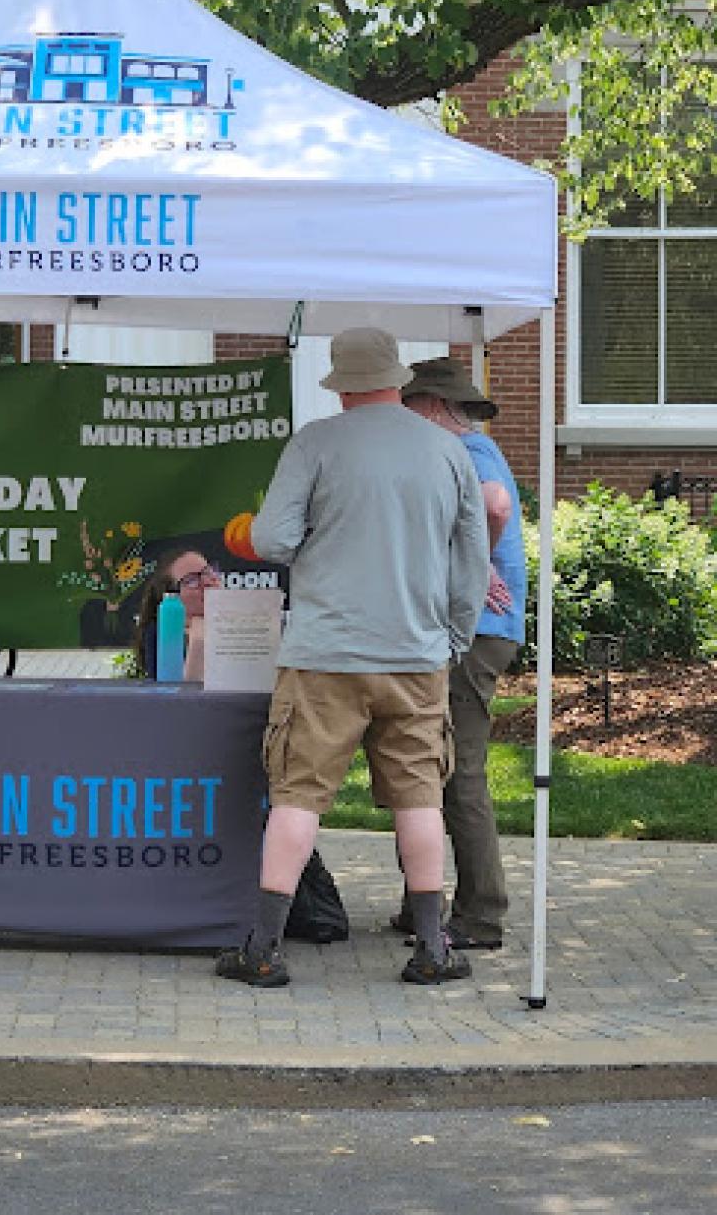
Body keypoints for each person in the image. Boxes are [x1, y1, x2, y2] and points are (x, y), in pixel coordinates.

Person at [215, 327, 489, 989]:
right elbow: (471, 563)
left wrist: (271, 533)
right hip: (416, 655)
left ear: (340, 385)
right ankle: (432, 948)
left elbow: (275, 536)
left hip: (323, 656)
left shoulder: (314, 442)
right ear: (398, 379)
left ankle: (264, 948)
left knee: (297, 796)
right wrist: (452, 636)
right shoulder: (450, 451)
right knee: (419, 796)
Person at [389, 357, 526, 951]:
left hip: (474, 633)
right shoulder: (472, 450)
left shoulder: (468, 454)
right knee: (432, 765)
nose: (405, 419)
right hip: (480, 629)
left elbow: (492, 506)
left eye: (410, 407)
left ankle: (481, 916)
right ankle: (423, 905)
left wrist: (472, 566)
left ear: (436, 407)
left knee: (457, 771)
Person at [134, 548, 219, 681]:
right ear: (173, 596)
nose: (207, 582)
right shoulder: (163, 633)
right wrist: (197, 643)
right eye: (191, 581)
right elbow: (174, 695)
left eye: (207, 572)